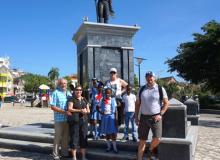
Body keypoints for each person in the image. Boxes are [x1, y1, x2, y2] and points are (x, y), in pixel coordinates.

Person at [135, 71, 169, 160]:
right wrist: (136, 117)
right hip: (143, 117)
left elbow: (166, 103)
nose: (149, 78)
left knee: (157, 138)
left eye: (151, 76)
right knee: (142, 140)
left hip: (156, 117)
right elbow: (137, 104)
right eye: (147, 76)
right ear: (145, 78)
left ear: (154, 78)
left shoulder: (160, 89)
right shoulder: (141, 89)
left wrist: (160, 114)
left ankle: (150, 149)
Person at [50, 79, 72, 160]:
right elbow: (52, 106)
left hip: (67, 119)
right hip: (59, 119)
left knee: (66, 137)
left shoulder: (68, 93)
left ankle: (64, 153)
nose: (64, 85)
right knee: (57, 137)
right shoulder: (55, 93)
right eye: (62, 83)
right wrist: (64, 112)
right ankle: (55, 154)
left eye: (65, 83)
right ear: (59, 84)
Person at [68, 85, 90, 160]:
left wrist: (86, 111)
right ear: (74, 91)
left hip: (84, 122)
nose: (79, 91)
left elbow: (88, 110)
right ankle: (74, 157)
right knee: (74, 138)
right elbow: (70, 109)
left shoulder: (84, 99)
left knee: (83, 138)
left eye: (80, 90)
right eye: (77, 90)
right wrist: (80, 110)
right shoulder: (72, 99)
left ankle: (83, 157)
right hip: (74, 121)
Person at [97, 87, 118, 153]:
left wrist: (116, 119)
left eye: (109, 93)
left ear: (111, 93)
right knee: (107, 133)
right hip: (104, 117)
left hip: (111, 117)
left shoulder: (113, 100)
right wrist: (101, 112)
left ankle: (115, 148)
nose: (107, 94)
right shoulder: (102, 99)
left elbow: (116, 110)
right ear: (105, 93)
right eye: (106, 93)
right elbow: (97, 107)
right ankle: (109, 147)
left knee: (113, 133)